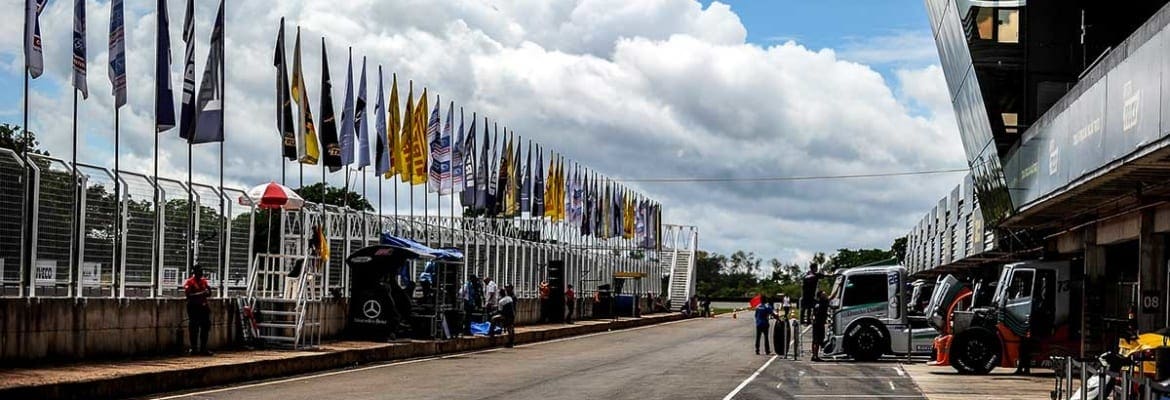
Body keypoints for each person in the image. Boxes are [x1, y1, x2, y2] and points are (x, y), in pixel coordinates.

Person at [183, 265, 212, 356]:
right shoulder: (190, 282)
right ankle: (194, 348)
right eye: (199, 271)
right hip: (194, 307)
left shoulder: (204, 281)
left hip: (203, 307)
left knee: (205, 327)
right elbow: (188, 295)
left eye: (201, 271)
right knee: (194, 328)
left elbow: (209, 291)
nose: (201, 273)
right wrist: (201, 293)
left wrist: (207, 292)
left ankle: (203, 348)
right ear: (194, 272)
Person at [811, 290, 830, 362]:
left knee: (815, 340)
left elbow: (813, 312)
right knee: (818, 340)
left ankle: (814, 355)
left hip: (816, 323)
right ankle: (815, 356)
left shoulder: (816, 303)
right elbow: (831, 297)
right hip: (820, 323)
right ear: (820, 296)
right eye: (824, 294)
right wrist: (838, 287)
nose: (825, 295)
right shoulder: (823, 302)